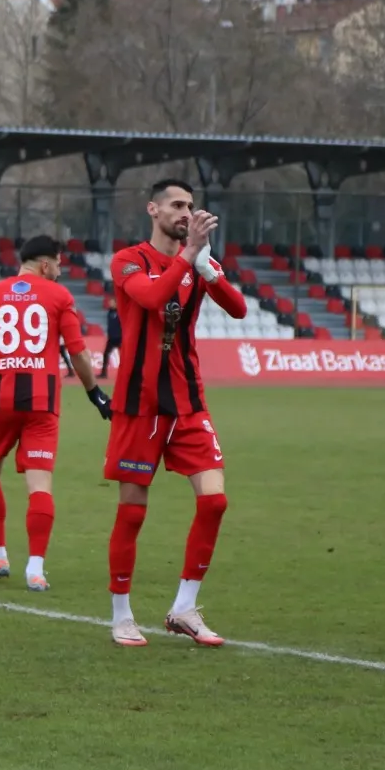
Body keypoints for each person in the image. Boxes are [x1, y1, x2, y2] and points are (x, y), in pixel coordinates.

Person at [104, 179, 249, 648]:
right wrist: (188, 256)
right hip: (140, 402)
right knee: (132, 512)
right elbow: (149, 299)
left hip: (188, 400)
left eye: (191, 205)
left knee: (215, 501)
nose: (186, 212)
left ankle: (184, 607)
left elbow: (239, 309)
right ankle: (122, 615)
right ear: (153, 209)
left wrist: (206, 267)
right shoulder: (128, 260)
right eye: (177, 205)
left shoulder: (197, 260)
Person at [0, 234, 112, 592]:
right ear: (46, 264)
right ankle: (36, 569)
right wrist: (95, 393)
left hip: (0, 399)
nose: (58, 272)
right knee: (39, 484)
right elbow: (78, 352)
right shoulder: (59, 296)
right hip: (43, 401)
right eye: (57, 265)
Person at [102, 295, 121, 381]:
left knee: (124, 356)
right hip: (111, 337)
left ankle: (124, 373)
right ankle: (103, 373)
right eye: (110, 302)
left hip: (120, 337)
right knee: (106, 354)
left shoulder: (120, 312)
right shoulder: (109, 312)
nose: (110, 304)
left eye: (112, 302)